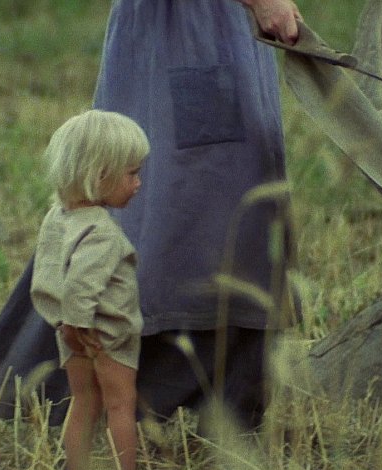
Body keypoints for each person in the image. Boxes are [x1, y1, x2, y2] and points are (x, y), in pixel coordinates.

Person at [94, 0, 302, 432]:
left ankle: (229, 404)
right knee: (189, 205)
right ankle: (137, 395)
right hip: (188, 31)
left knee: (231, 207)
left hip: (211, 29)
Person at [29, 110, 149, 470]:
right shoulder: (101, 231)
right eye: (132, 173)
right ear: (99, 176)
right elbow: (82, 284)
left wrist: (65, 324)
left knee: (82, 401)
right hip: (107, 334)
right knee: (120, 405)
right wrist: (79, 324)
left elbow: (49, 274)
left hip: (69, 331)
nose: (138, 183)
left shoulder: (57, 217)